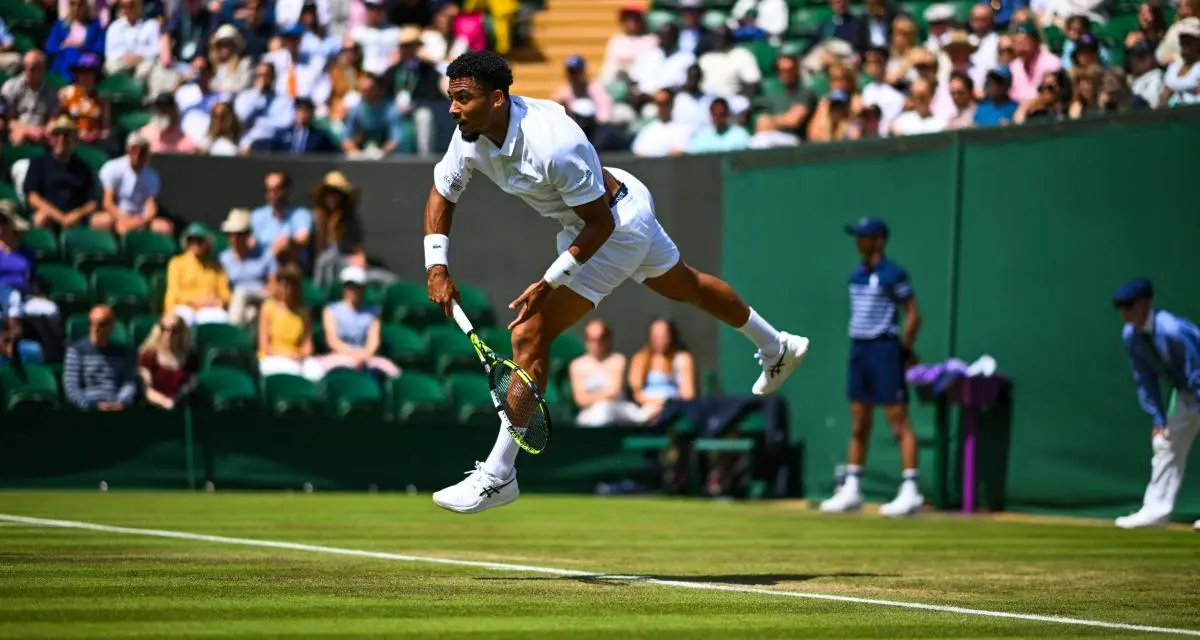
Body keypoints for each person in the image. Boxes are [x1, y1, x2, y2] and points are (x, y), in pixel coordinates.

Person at [424, 51, 809, 514]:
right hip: (610, 207)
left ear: (499, 98)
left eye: (463, 98)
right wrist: (437, 267)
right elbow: (443, 193)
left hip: (613, 225)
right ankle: (776, 345)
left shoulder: (552, 144)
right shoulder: (469, 132)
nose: (452, 109)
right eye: (452, 98)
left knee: (530, 332)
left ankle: (499, 474)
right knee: (683, 284)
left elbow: (600, 225)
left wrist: (550, 280)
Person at [820, 217, 924, 517]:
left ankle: (911, 490)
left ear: (878, 240)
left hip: (885, 348)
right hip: (860, 349)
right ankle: (852, 489)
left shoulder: (894, 274)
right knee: (858, 420)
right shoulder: (856, 276)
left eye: (864, 237)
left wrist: (903, 350)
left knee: (897, 419)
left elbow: (914, 315)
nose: (858, 242)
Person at [1111, 277, 1200, 531]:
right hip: (1185, 393)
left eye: (1129, 305)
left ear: (1145, 303)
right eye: (1121, 306)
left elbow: (1196, 370)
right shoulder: (1131, 336)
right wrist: (1158, 418)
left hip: (1197, 385)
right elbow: (1145, 379)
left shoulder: (1171, 330)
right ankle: (1156, 512)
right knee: (1165, 445)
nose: (1125, 312)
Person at [316, 265, 399, 378]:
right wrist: (354, 355)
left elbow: (373, 342)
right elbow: (332, 341)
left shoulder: (374, 313)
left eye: (357, 286)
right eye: (349, 286)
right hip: (339, 357)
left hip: (367, 357)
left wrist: (363, 356)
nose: (353, 290)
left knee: (394, 372)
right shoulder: (330, 311)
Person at [24, 115, 97, 232]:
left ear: (73, 139)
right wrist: (59, 217)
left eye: (66, 135)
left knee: (102, 220)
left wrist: (77, 214)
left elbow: (92, 202)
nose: (61, 139)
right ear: (51, 138)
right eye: (57, 134)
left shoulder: (83, 168)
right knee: (40, 219)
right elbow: (32, 197)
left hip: (75, 218)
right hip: (50, 215)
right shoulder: (38, 163)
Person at [63, 304, 138, 411]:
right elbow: (72, 388)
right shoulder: (76, 351)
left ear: (111, 326)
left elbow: (129, 382)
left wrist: (121, 402)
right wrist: (91, 406)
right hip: (88, 409)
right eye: (92, 324)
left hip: (115, 405)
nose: (96, 329)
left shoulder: (121, 353)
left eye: (101, 324)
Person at [569, 319, 643, 427]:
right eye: (592, 339)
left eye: (601, 338)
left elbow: (615, 392)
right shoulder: (577, 365)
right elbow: (580, 400)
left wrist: (591, 397)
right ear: (586, 340)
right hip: (589, 413)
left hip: (618, 408)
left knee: (604, 410)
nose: (597, 343)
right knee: (600, 412)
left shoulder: (618, 360)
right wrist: (604, 395)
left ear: (608, 339)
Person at [257, 263, 323, 380]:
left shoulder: (303, 312)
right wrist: (287, 354)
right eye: (283, 283)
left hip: (296, 356)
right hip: (273, 356)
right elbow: (265, 346)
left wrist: (301, 354)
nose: (286, 288)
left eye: (291, 284)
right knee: (290, 371)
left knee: (316, 372)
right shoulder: (268, 307)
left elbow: (307, 345)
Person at [95, 133, 170, 235]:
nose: (138, 154)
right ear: (128, 150)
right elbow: (107, 203)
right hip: (117, 215)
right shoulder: (112, 168)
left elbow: (151, 206)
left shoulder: (152, 176)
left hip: (139, 217)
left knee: (164, 227)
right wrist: (123, 218)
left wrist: (142, 220)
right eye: (134, 150)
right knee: (103, 221)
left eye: (142, 151)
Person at [627, 317, 695, 423]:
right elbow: (637, 393)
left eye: (664, 336)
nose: (660, 341)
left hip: (674, 409)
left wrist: (667, 405)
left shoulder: (682, 358)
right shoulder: (640, 358)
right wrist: (655, 403)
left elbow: (688, 394)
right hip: (647, 409)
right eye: (656, 337)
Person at [218, 208, 276, 326]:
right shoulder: (223, 258)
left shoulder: (265, 255)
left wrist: (265, 290)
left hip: (261, 296)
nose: (234, 238)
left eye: (239, 234)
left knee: (241, 293)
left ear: (248, 234)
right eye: (230, 234)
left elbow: (274, 284)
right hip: (236, 303)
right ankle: (241, 343)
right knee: (251, 314)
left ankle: (232, 333)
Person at [164, 223, 231, 326]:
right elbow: (175, 293)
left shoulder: (216, 267)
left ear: (207, 243)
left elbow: (225, 293)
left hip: (208, 309)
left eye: (199, 241)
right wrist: (197, 300)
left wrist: (220, 301)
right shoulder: (177, 263)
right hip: (184, 307)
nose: (195, 244)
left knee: (222, 318)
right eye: (191, 240)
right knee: (185, 318)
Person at [137, 311, 198, 410]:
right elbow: (146, 389)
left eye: (175, 330)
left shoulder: (189, 357)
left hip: (180, 408)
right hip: (153, 409)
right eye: (165, 329)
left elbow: (190, 384)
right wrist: (165, 401)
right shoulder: (148, 355)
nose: (169, 334)